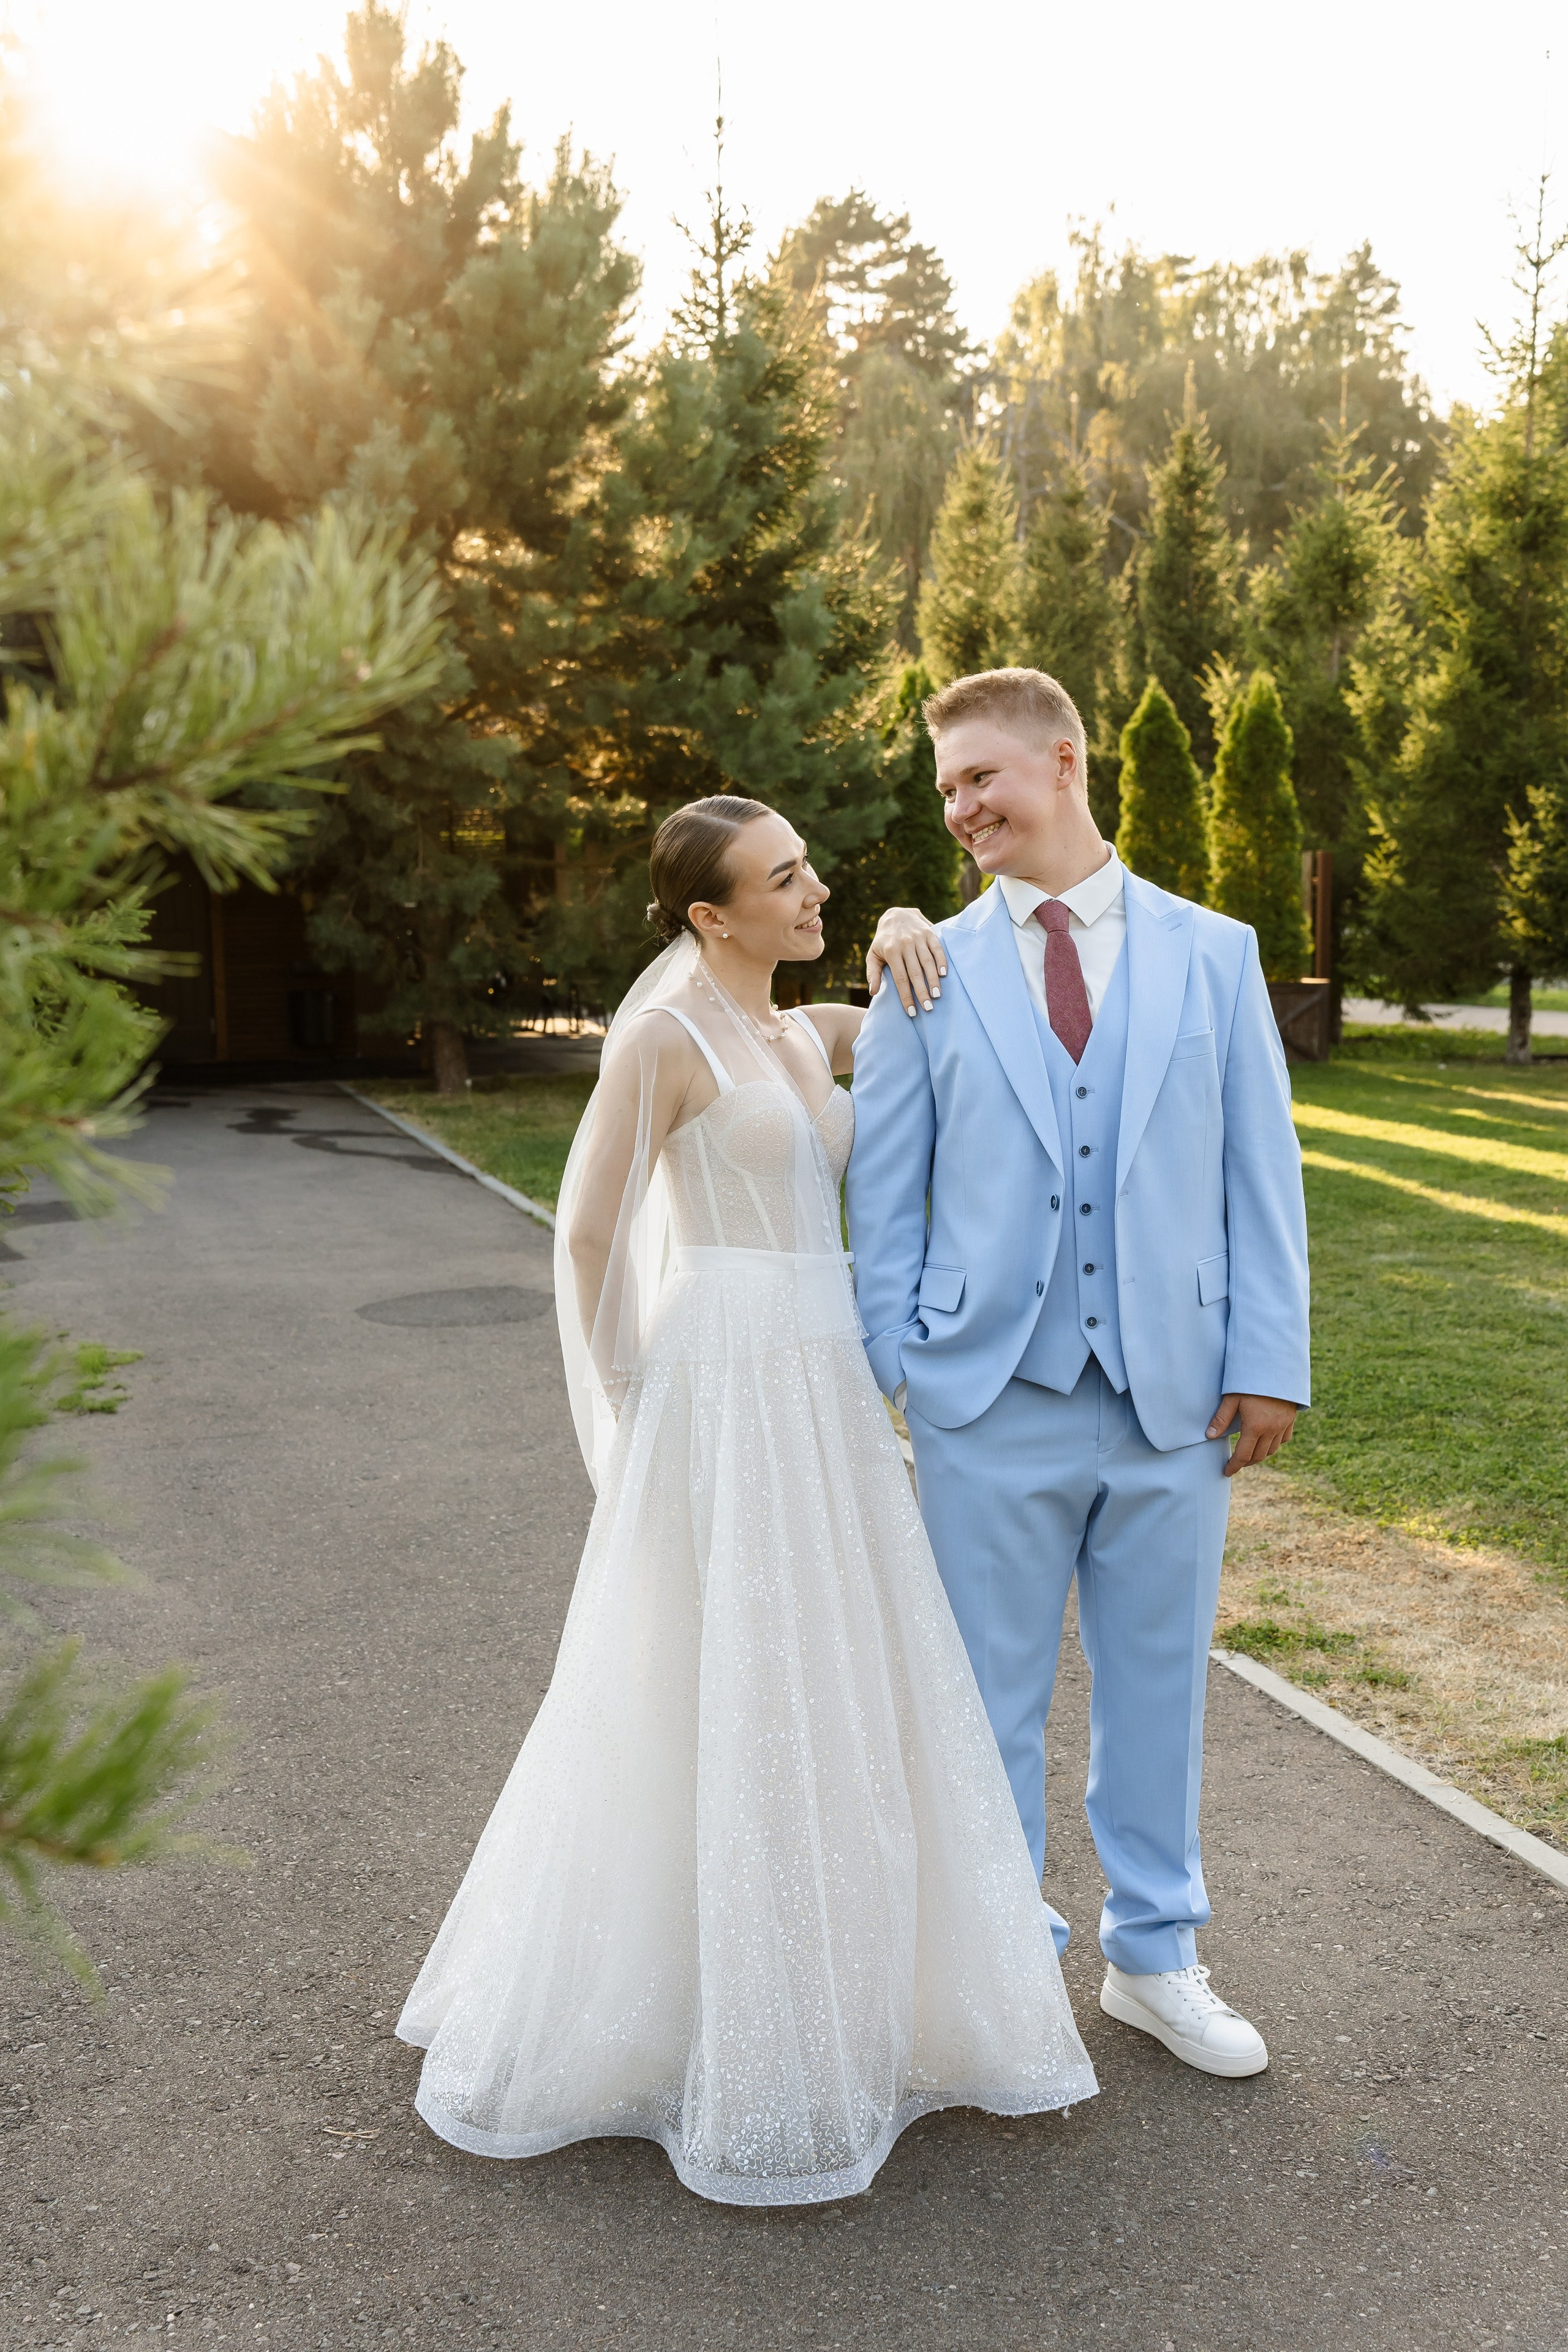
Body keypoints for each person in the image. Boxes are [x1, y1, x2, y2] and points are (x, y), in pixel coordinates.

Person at [397, 794, 1096, 2205]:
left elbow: (911, 998)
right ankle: (686, 2012)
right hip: (719, 1381)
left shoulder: (802, 1031)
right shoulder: (662, 1043)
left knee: (836, 1674)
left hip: (822, 1384)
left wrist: (904, 919)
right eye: (784, 880)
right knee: (705, 1677)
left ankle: (850, 1990)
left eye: (809, 869)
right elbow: (587, 1231)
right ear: (710, 915)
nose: (813, 889)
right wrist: (623, 1396)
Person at [848, 668, 1310, 2081]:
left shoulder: (1211, 953)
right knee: (980, 1700)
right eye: (944, 790)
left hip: (1173, 1394)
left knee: (1157, 1687)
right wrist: (894, 1374)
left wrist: (1268, 1359)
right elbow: (886, 1191)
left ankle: (1155, 1961)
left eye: (979, 778)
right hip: (985, 1393)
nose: (960, 809)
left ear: (1060, 763)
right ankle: (1000, 1973)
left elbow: (1258, 1169)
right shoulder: (924, 968)